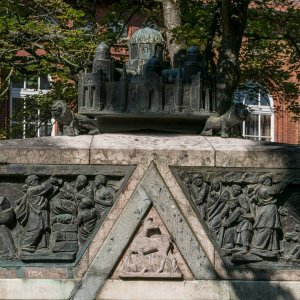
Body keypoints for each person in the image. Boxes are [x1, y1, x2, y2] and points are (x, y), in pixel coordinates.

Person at [15, 175, 59, 253]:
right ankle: (26, 245)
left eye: (38, 180)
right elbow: (43, 187)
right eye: (36, 180)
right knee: (35, 229)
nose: (38, 182)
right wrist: (50, 181)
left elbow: (46, 194)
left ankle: (41, 246)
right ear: (31, 182)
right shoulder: (31, 190)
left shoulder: (38, 191)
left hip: (43, 212)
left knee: (44, 230)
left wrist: (56, 186)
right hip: (36, 213)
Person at [250, 175, 285, 259]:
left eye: (270, 180)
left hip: (266, 209)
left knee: (272, 229)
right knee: (266, 228)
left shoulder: (259, 189)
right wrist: (286, 182)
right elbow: (277, 190)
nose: (270, 182)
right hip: (267, 210)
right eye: (269, 180)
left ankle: (272, 249)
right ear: (264, 182)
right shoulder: (264, 189)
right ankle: (258, 247)